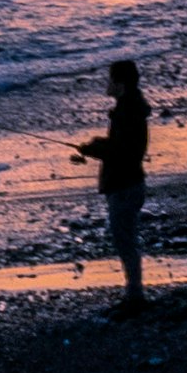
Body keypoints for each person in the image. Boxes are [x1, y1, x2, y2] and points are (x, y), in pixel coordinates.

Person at [75, 59, 151, 313]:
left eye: (110, 80)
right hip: (129, 183)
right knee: (127, 240)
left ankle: (135, 298)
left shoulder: (127, 112)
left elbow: (123, 152)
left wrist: (94, 148)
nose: (106, 84)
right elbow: (122, 147)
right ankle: (134, 295)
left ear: (120, 84)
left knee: (125, 242)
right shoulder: (129, 109)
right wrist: (98, 145)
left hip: (125, 186)